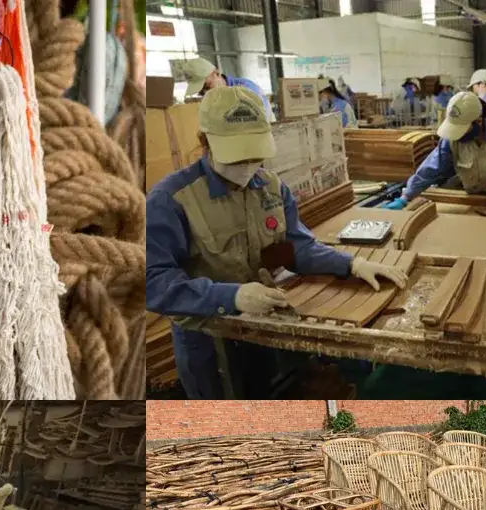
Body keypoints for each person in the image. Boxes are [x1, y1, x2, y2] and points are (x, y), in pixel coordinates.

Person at [146, 86, 408, 399]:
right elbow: (153, 282)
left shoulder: (270, 187)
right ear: (206, 142)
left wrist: (351, 264)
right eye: (239, 155)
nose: (247, 164)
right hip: (207, 341)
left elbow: (297, 246)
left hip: (261, 327)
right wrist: (232, 296)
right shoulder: (172, 200)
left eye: (254, 155)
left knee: (264, 399)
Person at [383, 91, 486, 210]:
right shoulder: (452, 140)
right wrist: (405, 197)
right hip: (471, 202)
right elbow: (431, 168)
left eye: (462, 129)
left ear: (478, 122)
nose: (457, 135)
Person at [175, 57, 272, 118]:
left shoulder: (246, 89)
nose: (206, 93)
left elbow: (257, 122)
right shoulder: (213, 102)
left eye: (207, 86)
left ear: (216, 73)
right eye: (201, 92)